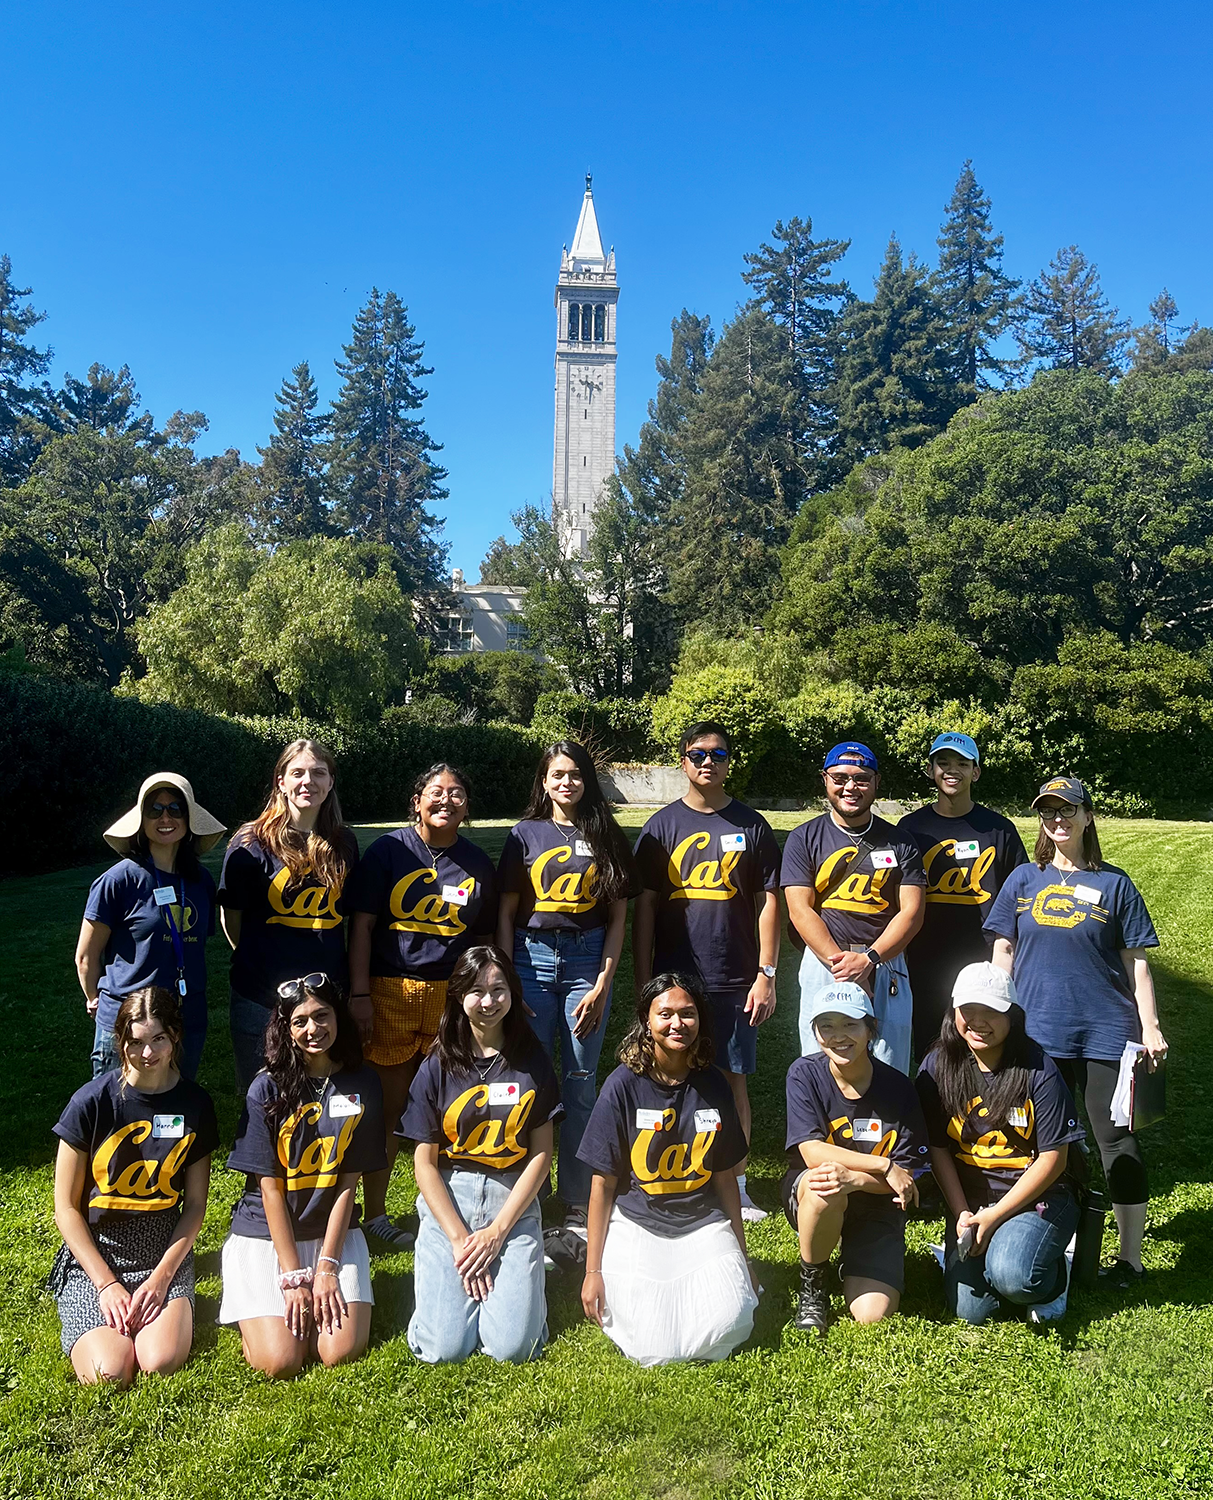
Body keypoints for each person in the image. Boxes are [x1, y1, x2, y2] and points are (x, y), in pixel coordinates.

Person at [984, 775, 1166, 1288]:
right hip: (1037, 1033)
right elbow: (1003, 952)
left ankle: (1129, 1257)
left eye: (1068, 810)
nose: (1058, 820)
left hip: (1107, 1032)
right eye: (1049, 812)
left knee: (1117, 1141)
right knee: (1042, 1141)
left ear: (1088, 816)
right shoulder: (1023, 878)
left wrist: (1150, 1028)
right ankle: (1051, 1240)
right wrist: (996, 1014)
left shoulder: (1116, 883)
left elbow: (1138, 966)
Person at [632, 721, 780, 1221]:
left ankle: (736, 1183)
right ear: (683, 761)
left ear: (728, 761)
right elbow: (645, 909)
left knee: (733, 1078)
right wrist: (642, 977)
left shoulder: (752, 824)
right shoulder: (660, 826)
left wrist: (767, 972)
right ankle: (676, 1169)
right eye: (698, 754)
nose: (707, 762)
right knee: (671, 1077)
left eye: (718, 754)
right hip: (675, 980)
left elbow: (766, 902)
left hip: (737, 977)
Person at [346, 762, 497, 1249]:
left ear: (467, 806)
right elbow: (363, 927)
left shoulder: (476, 862)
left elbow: (486, 937)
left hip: (451, 997)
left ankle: (446, 1207)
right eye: (436, 792)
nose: (446, 801)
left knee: (448, 1106)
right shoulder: (389, 851)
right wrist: (361, 993)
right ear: (417, 800)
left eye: (457, 794)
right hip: (390, 991)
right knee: (389, 1107)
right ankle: (376, 1213)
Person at [578, 973, 759, 1366]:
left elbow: (726, 1178)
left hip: (702, 1222)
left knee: (735, 1319)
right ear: (646, 1020)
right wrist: (594, 1271)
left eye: (688, 1014)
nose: (678, 1024)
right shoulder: (622, 1085)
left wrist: (743, 1260)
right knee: (654, 1347)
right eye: (666, 1014)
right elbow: (602, 1185)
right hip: (639, 1223)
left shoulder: (713, 1084)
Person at [496, 741, 636, 1228]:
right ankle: (528, 1190)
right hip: (530, 961)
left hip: (585, 963)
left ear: (586, 781)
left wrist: (603, 980)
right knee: (527, 1079)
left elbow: (619, 916)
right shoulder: (524, 834)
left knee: (579, 1083)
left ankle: (578, 1196)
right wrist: (509, 976)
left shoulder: (606, 834)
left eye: (575, 774)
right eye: (557, 774)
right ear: (544, 781)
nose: (567, 783)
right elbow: (507, 912)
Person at [401, 945, 562, 1364]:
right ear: (457, 996)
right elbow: (424, 1162)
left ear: (514, 992)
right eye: (476, 990)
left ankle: (513, 1289)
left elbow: (542, 1155)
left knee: (514, 1348)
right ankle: (463, 1292)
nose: (489, 1001)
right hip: (450, 1197)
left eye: (498, 989)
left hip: (512, 1198)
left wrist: (496, 1233)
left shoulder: (533, 1060)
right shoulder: (437, 1065)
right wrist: (458, 1239)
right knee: (444, 1348)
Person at [49, 987, 218, 1386]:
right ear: (120, 1041)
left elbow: (194, 1205)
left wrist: (162, 1278)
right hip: (97, 1252)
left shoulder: (195, 1104)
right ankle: (84, 1300)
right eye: (136, 1042)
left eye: (158, 1038)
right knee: (110, 1370)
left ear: (175, 1036)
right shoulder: (90, 1102)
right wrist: (106, 1284)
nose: (147, 1053)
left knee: (158, 1361)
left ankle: (169, 1296)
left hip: (162, 1249)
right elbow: (66, 1209)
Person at [218, 973, 385, 1378]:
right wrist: (294, 1277)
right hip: (268, 1234)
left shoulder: (363, 1082)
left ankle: (299, 1305)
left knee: (337, 1352)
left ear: (338, 1017)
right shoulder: (266, 1088)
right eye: (300, 1021)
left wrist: (327, 1266)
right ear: (286, 1029)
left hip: (333, 1231)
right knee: (282, 1361)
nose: (313, 1029)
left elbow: (350, 1182)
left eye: (322, 1015)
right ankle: (258, 1314)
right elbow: (269, 1190)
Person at [916, 962, 1086, 1325]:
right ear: (953, 1012)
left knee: (1016, 1278)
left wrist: (994, 1217)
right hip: (973, 1199)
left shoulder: (1039, 1069)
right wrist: (962, 1213)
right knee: (972, 1312)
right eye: (968, 1010)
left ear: (1013, 1016)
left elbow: (1055, 1158)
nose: (978, 1021)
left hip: (1037, 1197)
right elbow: (938, 1147)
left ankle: (1055, 1274)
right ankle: (1009, 1254)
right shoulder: (936, 1066)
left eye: (991, 1011)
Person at [783, 984, 929, 1339]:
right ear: (815, 1033)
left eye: (850, 1025)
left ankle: (854, 1256)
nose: (839, 1036)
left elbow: (907, 1180)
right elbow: (811, 1152)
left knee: (872, 1314)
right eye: (827, 1026)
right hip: (816, 1192)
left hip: (877, 1204)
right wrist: (882, 1166)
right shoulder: (804, 1074)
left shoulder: (899, 1088)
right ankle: (813, 1284)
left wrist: (858, 1179)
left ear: (870, 1029)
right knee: (824, 1183)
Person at [219, 739, 360, 1097]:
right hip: (260, 996)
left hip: (326, 997)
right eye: (297, 773)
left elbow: (350, 917)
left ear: (331, 782)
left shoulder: (343, 843)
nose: (307, 782)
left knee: (323, 1097)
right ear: (280, 781)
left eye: (318, 773)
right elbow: (230, 918)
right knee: (261, 1098)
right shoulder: (250, 843)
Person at [782, 741, 925, 1075]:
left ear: (876, 782)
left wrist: (869, 959)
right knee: (822, 1061)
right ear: (825, 779)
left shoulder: (901, 842)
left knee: (890, 1064)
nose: (850, 787)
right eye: (840, 777)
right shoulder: (803, 838)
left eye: (861, 778)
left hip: (885, 962)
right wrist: (844, 967)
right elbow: (800, 910)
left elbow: (912, 912)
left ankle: (889, 1127)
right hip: (824, 963)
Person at [76, 773, 224, 1081]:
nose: (165, 817)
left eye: (175, 809)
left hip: (186, 1018)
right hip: (128, 1021)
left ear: (189, 819)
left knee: (175, 1117)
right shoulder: (118, 881)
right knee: (116, 1116)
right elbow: (86, 956)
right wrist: (94, 998)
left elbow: (195, 945)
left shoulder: (201, 881)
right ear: (141, 820)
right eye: (155, 810)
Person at [899, 733, 1028, 1060]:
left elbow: (1021, 896)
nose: (951, 770)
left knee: (982, 1051)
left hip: (983, 961)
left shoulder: (999, 830)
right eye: (943, 762)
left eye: (961, 763)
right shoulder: (911, 828)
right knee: (930, 1055)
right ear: (931, 770)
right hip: (923, 962)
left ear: (976, 771)